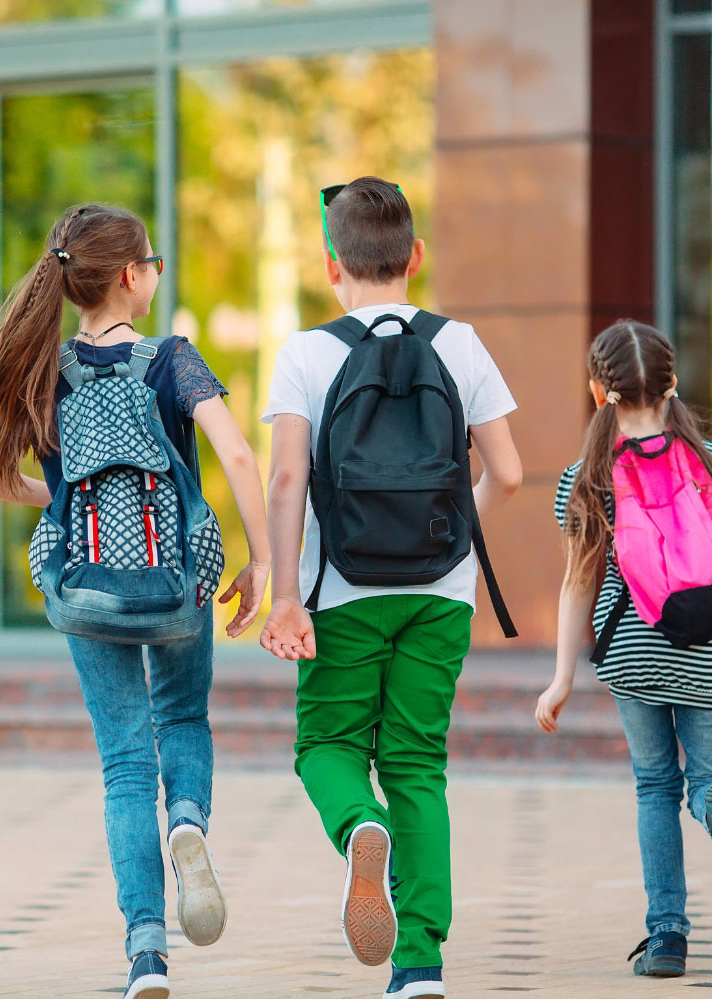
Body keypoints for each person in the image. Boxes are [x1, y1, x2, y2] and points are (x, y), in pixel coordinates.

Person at [0, 204, 271, 999]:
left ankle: (146, 954)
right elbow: (240, 456)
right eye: (151, 261)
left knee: (122, 766)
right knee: (182, 718)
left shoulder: (42, 371)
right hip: (173, 583)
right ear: (127, 275)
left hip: (86, 593)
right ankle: (187, 819)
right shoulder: (171, 359)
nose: (154, 272)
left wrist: (63, 500)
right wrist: (261, 560)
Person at [259, 176, 522, 1000]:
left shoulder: (307, 351)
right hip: (441, 594)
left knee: (326, 748)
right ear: (416, 257)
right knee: (416, 763)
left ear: (330, 263)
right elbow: (509, 474)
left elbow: (285, 481)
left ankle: (356, 826)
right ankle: (420, 964)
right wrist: (451, 538)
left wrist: (286, 596)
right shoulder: (462, 343)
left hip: (340, 587)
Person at [535, 319, 712, 978]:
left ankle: (668, 936)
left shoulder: (584, 477)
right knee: (707, 780)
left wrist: (561, 677)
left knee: (654, 787)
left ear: (599, 391)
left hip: (635, 657)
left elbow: (577, 583)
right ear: (671, 384)